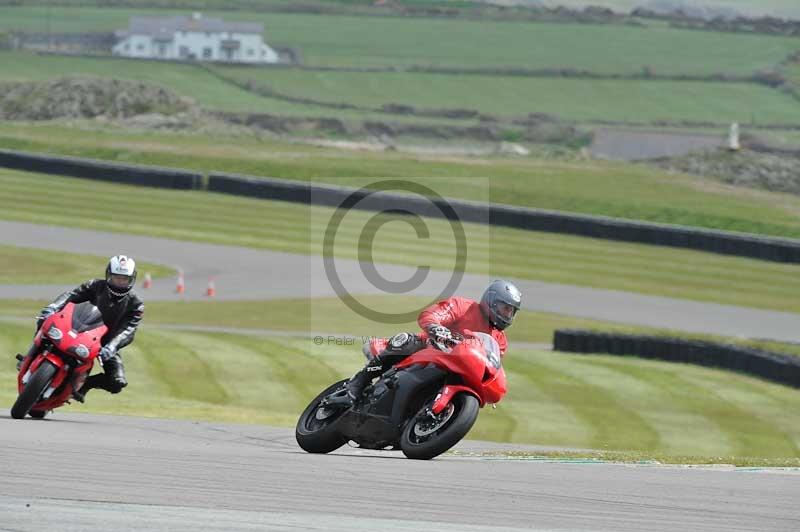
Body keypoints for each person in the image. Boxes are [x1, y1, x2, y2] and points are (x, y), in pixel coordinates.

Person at [325, 279, 522, 407]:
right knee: (405, 341)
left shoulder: (500, 340)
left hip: (460, 368)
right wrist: (437, 328)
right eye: (505, 308)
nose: (507, 315)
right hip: (432, 349)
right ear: (491, 301)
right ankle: (356, 386)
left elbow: (491, 364)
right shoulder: (464, 306)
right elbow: (432, 314)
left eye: (511, 311)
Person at [16, 255, 144, 403]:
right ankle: (29, 357)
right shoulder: (95, 285)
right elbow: (71, 296)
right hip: (79, 327)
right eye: (116, 277)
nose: (120, 282)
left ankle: (83, 385)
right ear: (108, 275)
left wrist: (111, 347)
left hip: (106, 342)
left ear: (132, 279)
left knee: (117, 382)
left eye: (124, 279)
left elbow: (128, 330)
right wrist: (52, 308)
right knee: (46, 321)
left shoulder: (136, 305)